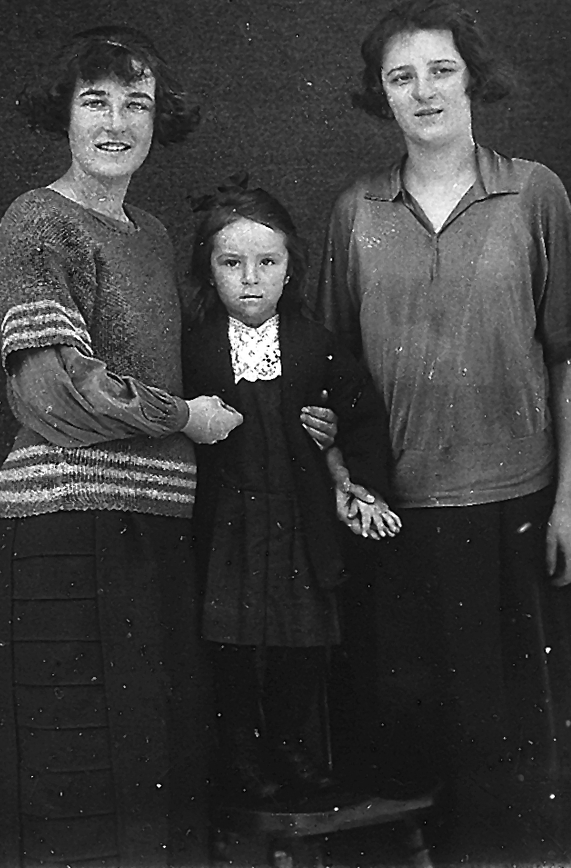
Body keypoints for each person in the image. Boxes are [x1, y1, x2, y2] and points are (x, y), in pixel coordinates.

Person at [317, 0, 571, 865]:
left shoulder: (533, 193)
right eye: (401, 77)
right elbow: (328, 378)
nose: (424, 91)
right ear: (381, 94)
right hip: (397, 523)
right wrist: (344, 482)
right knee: (411, 759)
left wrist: (570, 505)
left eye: (441, 70)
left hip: (517, 513)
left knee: (517, 767)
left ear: (473, 77)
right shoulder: (356, 211)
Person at [0, 26, 244, 868]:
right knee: (77, 781)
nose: (116, 122)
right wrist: (184, 417)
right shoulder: (36, 221)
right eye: (96, 101)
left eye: (138, 104)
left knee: (158, 776)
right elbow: (54, 390)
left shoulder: (154, 234)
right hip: (65, 528)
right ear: (64, 113)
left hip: (158, 532)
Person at [182, 180, 397, 808]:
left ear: (290, 268)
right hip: (227, 522)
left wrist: (349, 467)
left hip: (297, 519)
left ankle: (289, 747)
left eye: (267, 262)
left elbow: (361, 418)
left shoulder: (315, 345)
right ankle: (242, 756)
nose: (250, 279)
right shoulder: (192, 351)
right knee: (230, 643)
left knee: (300, 643)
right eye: (232, 263)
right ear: (209, 270)